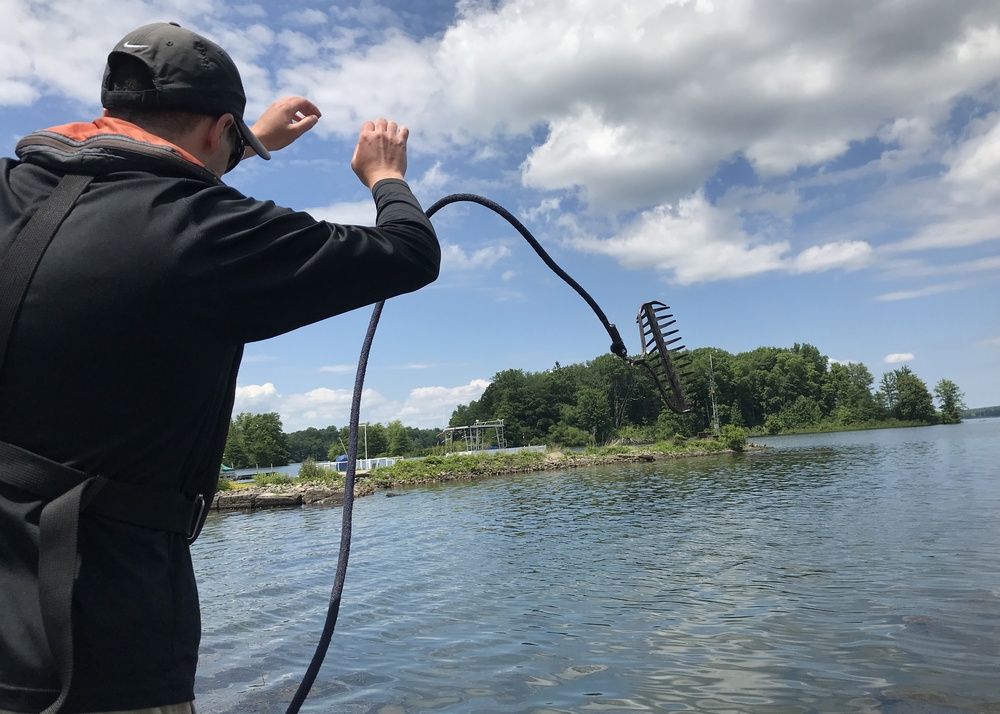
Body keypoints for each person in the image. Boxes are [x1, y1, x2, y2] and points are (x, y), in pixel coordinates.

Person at [0, 21, 439, 714]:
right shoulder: (205, 230)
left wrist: (247, 140)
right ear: (217, 131)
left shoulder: (13, 190)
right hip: (100, 641)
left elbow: (122, 181)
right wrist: (385, 177)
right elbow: (409, 253)